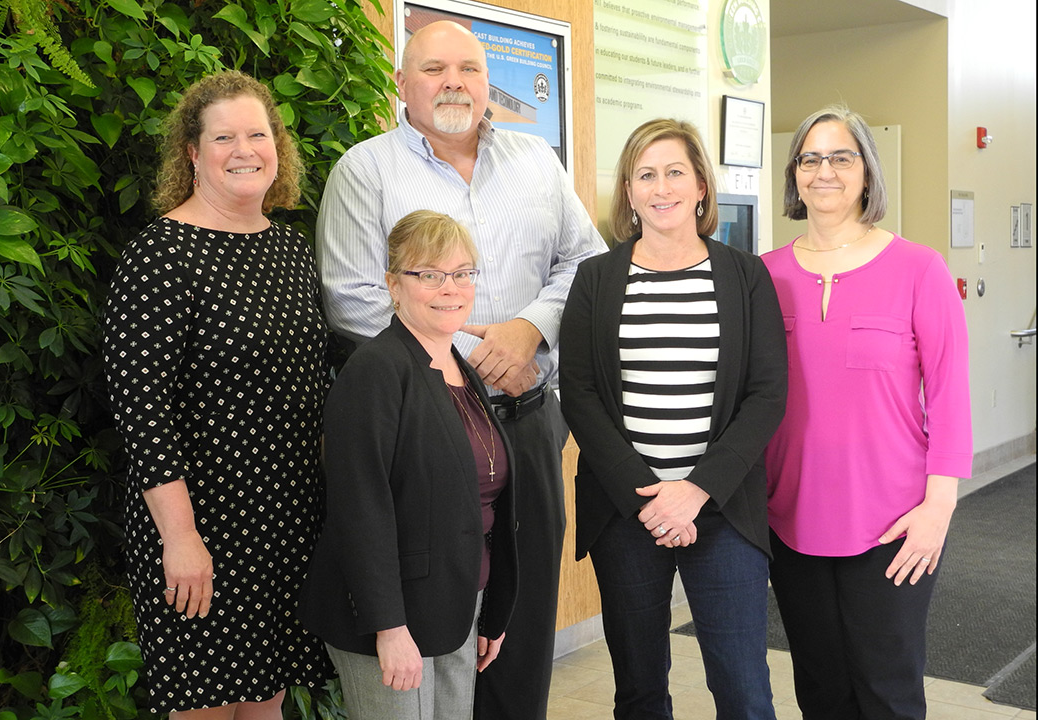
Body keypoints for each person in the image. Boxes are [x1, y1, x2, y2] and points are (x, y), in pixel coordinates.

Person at [316, 19, 605, 719]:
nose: (454, 83)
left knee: (517, 607)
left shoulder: (536, 160)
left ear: (489, 83)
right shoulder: (367, 168)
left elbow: (587, 263)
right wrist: (478, 358)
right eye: (435, 69)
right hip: (424, 423)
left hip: (530, 420)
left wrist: (528, 330)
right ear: (401, 85)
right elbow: (351, 296)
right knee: (438, 604)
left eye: (470, 70)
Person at [102, 70, 332, 718]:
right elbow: (143, 416)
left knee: (266, 703)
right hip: (199, 529)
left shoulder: (289, 250)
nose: (244, 149)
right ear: (192, 153)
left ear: (277, 147)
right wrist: (181, 538)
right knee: (203, 706)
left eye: (257, 134)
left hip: (285, 526)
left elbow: (308, 391)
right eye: (224, 136)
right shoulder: (161, 254)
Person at [559, 118, 787, 720]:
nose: (662, 187)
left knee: (743, 688)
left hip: (723, 509)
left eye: (675, 172)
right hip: (625, 510)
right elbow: (578, 394)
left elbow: (766, 395)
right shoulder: (595, 279)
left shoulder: (745, 275)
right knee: (638, 688)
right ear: (629, 192)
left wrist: (695, 492)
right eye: (646, 174)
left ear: (702, 186)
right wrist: (650, 499)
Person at [762, 105, 972, 720]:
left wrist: (940, 506)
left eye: (841, 156)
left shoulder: (918, 268)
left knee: (888, 691)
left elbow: (950, 395)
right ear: (795, 174)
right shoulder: (764, 275)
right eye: (809, 158)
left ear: (866, 172)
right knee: (820, 690)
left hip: (895, 523)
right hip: (791, 519)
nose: (824, 171)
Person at [298, 210, 517, 720]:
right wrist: (388, 627)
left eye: (463, 273)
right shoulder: (376, 369)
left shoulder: (460, 367)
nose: (451, 288)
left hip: (460, 602)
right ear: (394, 284)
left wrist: (492, 608)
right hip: (392, 617)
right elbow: (359, 507)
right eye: (430, 275)